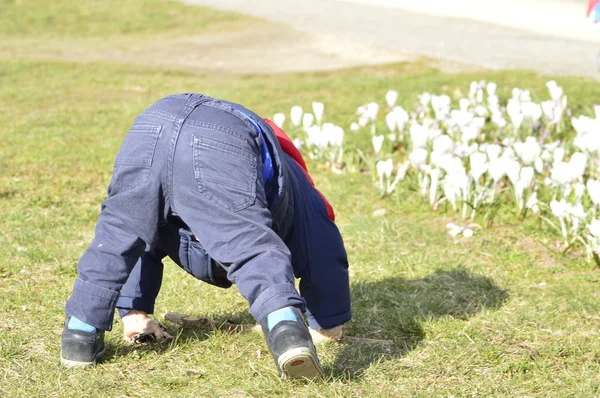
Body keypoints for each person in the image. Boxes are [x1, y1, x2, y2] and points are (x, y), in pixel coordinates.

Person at [60, 93, 351, 380]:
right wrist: (327, 322)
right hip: (220, 140)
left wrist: (134, 310)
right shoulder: (297, 187)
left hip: (150, 126)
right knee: (249, 244)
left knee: (124, 229)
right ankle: (289, 335)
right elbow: (321, 248)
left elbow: (136, 237)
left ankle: (79, 335)